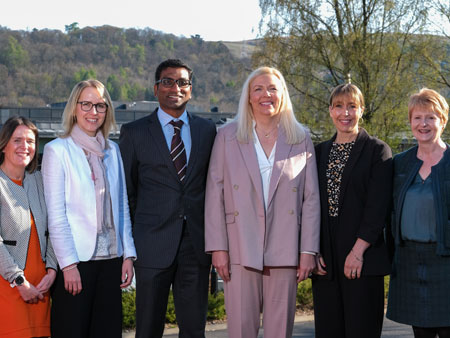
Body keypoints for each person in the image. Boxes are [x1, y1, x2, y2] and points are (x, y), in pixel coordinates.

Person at [205, 66, 320, 338]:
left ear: (283, 95)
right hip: (239, 247)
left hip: (286, 248)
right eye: (258, 89)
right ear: (248, 97)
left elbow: (311, 199)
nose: (265, 95)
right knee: (241, 331)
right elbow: (214, 194)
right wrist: (218, 248)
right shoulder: (227, 136)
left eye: (272, 89)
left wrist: (308, 251)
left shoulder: (300, 137)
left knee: (280, 332)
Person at [119, 59, 217, 338]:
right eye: (168, 81)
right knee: (148, 330)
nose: (176, 87)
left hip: (196, 246)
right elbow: (127, 192)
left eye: (183, 82)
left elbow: (211, 186)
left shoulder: (207, 131)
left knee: (194, 330)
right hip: (151, 245)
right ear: (156, 88)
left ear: (190, 90)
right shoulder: (134, 133)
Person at [41, 80, 136, 338]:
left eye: (100, 106)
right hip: (77, 262)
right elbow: (56, 214)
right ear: (74, 108)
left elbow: (122, 206)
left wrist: (128, 254)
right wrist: (68, 265)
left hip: (111, 261)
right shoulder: (56, 151)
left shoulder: (113, 150)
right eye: (86, 104)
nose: (93, 112)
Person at [312, 83, 392, 338]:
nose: (345, 113)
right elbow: (310, 206)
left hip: (362, 259)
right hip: (325, 263)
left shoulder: (377, 151)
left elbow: (377, 208)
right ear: (330, 111)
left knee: (362, 331)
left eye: (352, 106)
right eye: (338, 106)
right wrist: (312, 251)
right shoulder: (318, 152)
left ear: (362, 111)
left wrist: (357, 252)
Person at [386, 88, 450, 338]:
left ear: (443, 121)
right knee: (421, 333)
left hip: (445, 259)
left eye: (431, 117)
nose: (424, 124)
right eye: (417, 117)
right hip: (409, 261)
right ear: (410, 122)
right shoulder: (400, 163)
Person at [0, 116, 57, 338]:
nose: (25, 147)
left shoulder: (39, 181)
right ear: (4, 144)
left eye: (31, 141)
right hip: (9, 290)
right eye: (17, 140)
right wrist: (19, 281)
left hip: (40, 292)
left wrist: (52, 270)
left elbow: (54, 227)